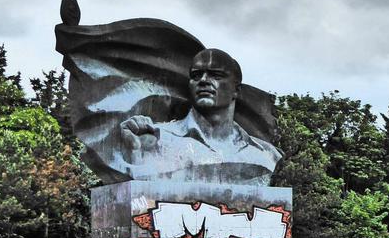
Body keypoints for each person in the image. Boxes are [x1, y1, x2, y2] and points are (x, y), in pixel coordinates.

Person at [119, 48, 283, 185]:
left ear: (236, 90)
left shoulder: (267, 155)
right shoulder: (156, 140)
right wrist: (136, 153)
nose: (203, 80)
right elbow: (142, 198)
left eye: (216, 75)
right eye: (196, 75)